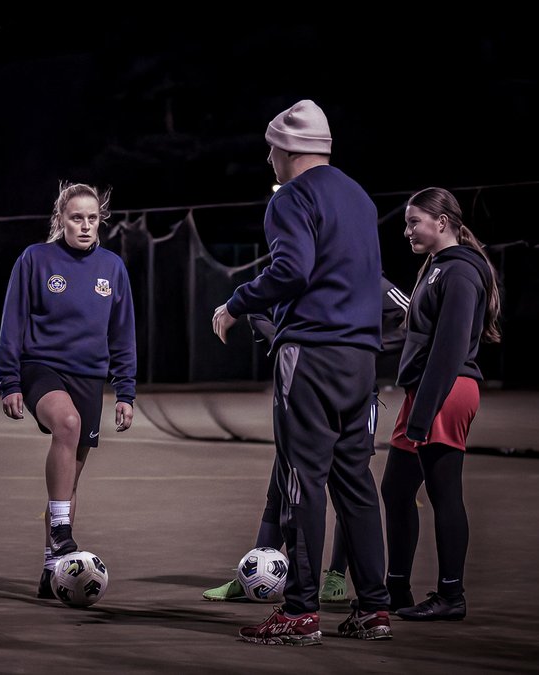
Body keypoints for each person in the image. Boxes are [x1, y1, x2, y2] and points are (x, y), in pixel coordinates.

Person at [211, 100, 390, 645]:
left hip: (312, 354)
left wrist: (236, 303)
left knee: (302, 481)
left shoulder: (291, 197)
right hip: (362, 357)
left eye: (271, 149)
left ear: (290, 151)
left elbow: (292, 269)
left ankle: (300, 611)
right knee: (356, 483)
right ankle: (375, 609)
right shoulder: (358, 196)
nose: (268, 159)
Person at [202, 275, 410, 606]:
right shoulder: (298, 270)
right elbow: (258, 309)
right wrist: (286, 340)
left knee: (348, 483)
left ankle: (336, 575)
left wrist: (366, 347)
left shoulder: (364, 273)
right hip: (307, 381)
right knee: (283, 480)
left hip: (355, 391)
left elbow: (408, 313)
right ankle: (254, 572)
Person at [0, 182, 137, 601]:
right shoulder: (36, 259)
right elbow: (12, 321)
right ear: (60, 219)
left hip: (90, 377)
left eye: (93, 218)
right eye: (77, 217)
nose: (86, 225)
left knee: (69, 481)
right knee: (68, 423)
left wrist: (125, 391)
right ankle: (61, 532)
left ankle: (51, 570)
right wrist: (9, 380)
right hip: (42, 369)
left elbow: (123, 335)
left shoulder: (113, 267)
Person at [381, 187, 501, 622]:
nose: (408, 230)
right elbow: (417, 336)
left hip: (445, 392)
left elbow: (449, 350)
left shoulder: (461, 273)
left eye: (415, 222)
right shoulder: (435, 267)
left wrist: (424, 411)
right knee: (395, 490)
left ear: (442, 223)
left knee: (444, 493)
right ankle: (395, 590)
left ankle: (452, 596)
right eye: (407, 222)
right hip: (425, 393)